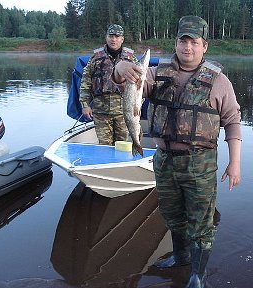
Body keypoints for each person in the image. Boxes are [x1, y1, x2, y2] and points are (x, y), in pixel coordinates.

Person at [113, 16, 241, 288]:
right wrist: (120, 68)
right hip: (165, 161)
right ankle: (181, 257)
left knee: (201, 222)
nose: (188, 47)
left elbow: (232, 122)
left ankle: (197, 274)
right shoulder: (156, 73)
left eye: (194, 42)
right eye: (183, 41)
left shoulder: (220, 82)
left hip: (200, 163)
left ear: (204, 46)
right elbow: (126, 85)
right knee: (172, 214)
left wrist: (235, 163)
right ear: (176, 43)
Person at [79, 24, 138, 145]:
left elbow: (140, 84)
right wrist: (85, 104)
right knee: (104, 147)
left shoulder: (131, 58)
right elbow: (86, 81)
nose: (113, 39)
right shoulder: (96, 57)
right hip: (101, 112)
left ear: (122, 39)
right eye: (111, 36)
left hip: (123, 111)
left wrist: (137, 105)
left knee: (123, 145)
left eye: (117, 36)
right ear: (106, 37)